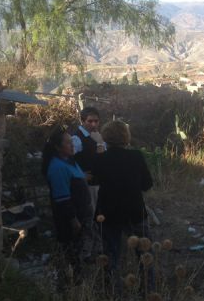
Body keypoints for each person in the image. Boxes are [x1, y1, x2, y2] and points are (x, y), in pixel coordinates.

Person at [92, 120, 153, 280]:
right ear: (126, 136)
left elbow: (93, 180)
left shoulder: (100, 159)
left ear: (106, 138)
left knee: (111, 256)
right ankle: (148, 289)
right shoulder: (136, 156)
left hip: (108, 213)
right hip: (134, 210)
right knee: (145, 254)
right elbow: (147, 184)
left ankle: (114, 293)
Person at [42, 127, 92, 281]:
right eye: (68, 143)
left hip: (80, 214)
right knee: (72, 253)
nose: (72, 145)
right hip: (70, 220)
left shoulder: (69, 161)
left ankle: (79, 283)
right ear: (58, 147)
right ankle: (74, 286)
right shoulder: (57, 168)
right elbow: (62, 198)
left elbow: (75, 178)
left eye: (72, 142)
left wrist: (83, 178)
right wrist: (73, 220)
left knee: (78, 251)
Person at [71, 107, 105, 258]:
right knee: (88, 217)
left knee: (98, 215)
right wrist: (80, 174)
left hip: (98, 183)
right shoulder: (76, 138)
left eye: (96, 121)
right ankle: (86, 252)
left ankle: (98, 248)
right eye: (90, 121)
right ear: (82, 121)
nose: (93, 124)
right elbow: (68, 159)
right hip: (87, 185)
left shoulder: (97, 136)